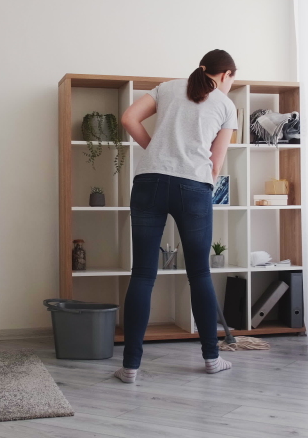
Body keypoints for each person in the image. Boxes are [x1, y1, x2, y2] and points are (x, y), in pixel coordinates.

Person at [113, 49, 239, 383]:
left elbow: (128, 119)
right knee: (199, 274)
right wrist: (204, 185)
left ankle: (130, 367)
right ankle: (212, 358)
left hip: (148, 183)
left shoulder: (167, 88)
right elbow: (217, 161)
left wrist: (156, 149)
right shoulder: (226, 106)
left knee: (142, 274)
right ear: (226, 75)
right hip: (193, 187)